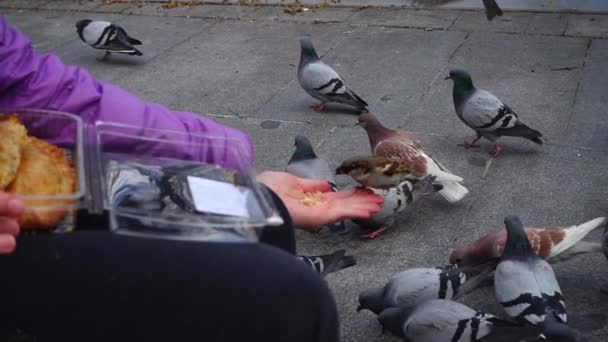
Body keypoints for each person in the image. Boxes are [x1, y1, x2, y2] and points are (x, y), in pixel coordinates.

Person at [0, 15, 383, 342]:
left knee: (262, 210)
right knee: (290, 297)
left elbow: (28, 85)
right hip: (16, 222)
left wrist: (225, 159)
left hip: (25, 173)